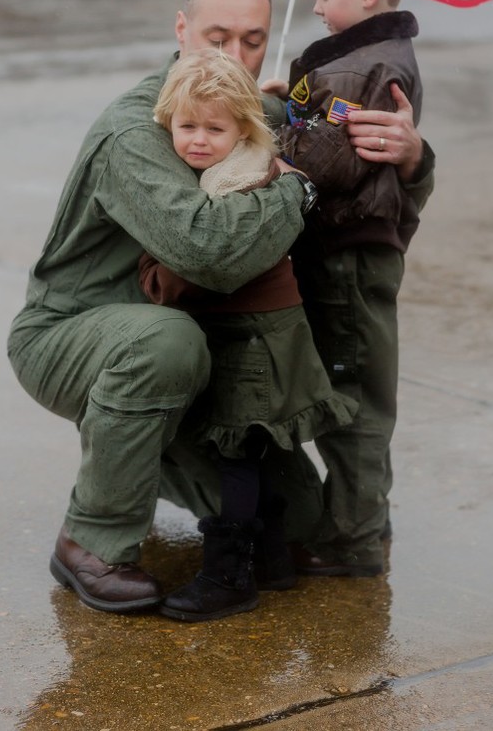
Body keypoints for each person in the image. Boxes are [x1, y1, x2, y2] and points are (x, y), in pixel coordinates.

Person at [7, 0, 432, 614]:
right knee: (166, 346)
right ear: (182, 29)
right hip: (75, 330)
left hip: (194, 345)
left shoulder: (252, 113)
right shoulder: (134, 130)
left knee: (302, 528)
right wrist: (301, 176)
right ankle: (90, 537)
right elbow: (211, 253)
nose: (237, 55)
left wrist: (407, 160)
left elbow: (358, 230)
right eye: (218, 37)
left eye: (254, 40)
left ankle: (138, 444)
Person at [138, 51, 357, 621]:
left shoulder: (235, 187)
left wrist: (152, 276)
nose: (199, 141)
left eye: (215, 128)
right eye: (187, 127)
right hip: (263, 335)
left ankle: (228, 575)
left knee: (235, 453)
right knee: (252, 458)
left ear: (243, 129)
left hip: (255, 342)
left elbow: (196, 271)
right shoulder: (238, 168)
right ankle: (273, 561)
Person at [262, 0, 433, 578]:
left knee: (354, 402)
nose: (316, 6)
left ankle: (355, 543)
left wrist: (274, 135)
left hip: (350, 259)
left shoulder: (369, 67)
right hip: (347, 256)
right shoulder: (360, 63)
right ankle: (361, 521)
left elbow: (331, 158)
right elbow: (324, 115)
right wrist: (294, 101)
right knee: (352, 394)